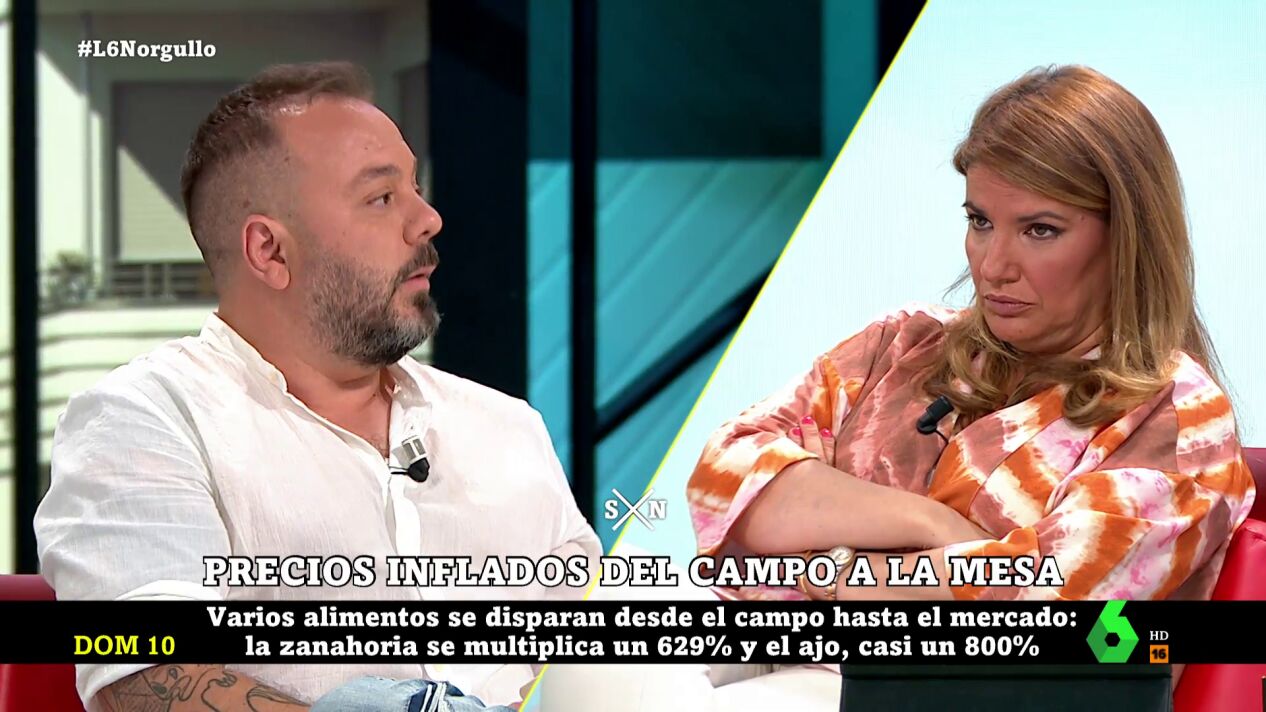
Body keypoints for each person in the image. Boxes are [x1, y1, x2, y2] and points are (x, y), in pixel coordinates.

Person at [33, 61, 601, 712]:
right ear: (270, 252)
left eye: (415, 188)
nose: (427, 220)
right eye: (381, 197)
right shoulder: (145, 421)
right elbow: (148, 679)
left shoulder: (506, 426)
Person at [688, 64, 1255, 606]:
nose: (993, 266)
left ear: (1127, 239)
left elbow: (1037, 601)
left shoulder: (1175, 415)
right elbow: (722, 478)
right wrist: (928, 524)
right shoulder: (903, 343)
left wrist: (823, 560)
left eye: (1040, 230)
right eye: (980, 221)